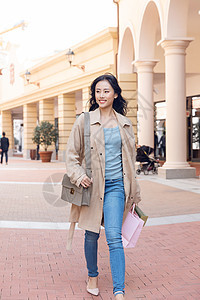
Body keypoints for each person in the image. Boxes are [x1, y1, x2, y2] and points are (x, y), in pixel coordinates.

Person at [65, 74, 141, 299]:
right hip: (92, 187)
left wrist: (134, 190)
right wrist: (79, 176)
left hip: (117, 187)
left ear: (115, 93)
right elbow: (71, 155)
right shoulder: (84, 120)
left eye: (106, 91)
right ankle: (93, 276)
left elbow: (130, 160)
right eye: (98, 91)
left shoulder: (125, 123)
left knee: (114, 236)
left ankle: (119, 288)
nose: (101, 95)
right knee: (91, 234)